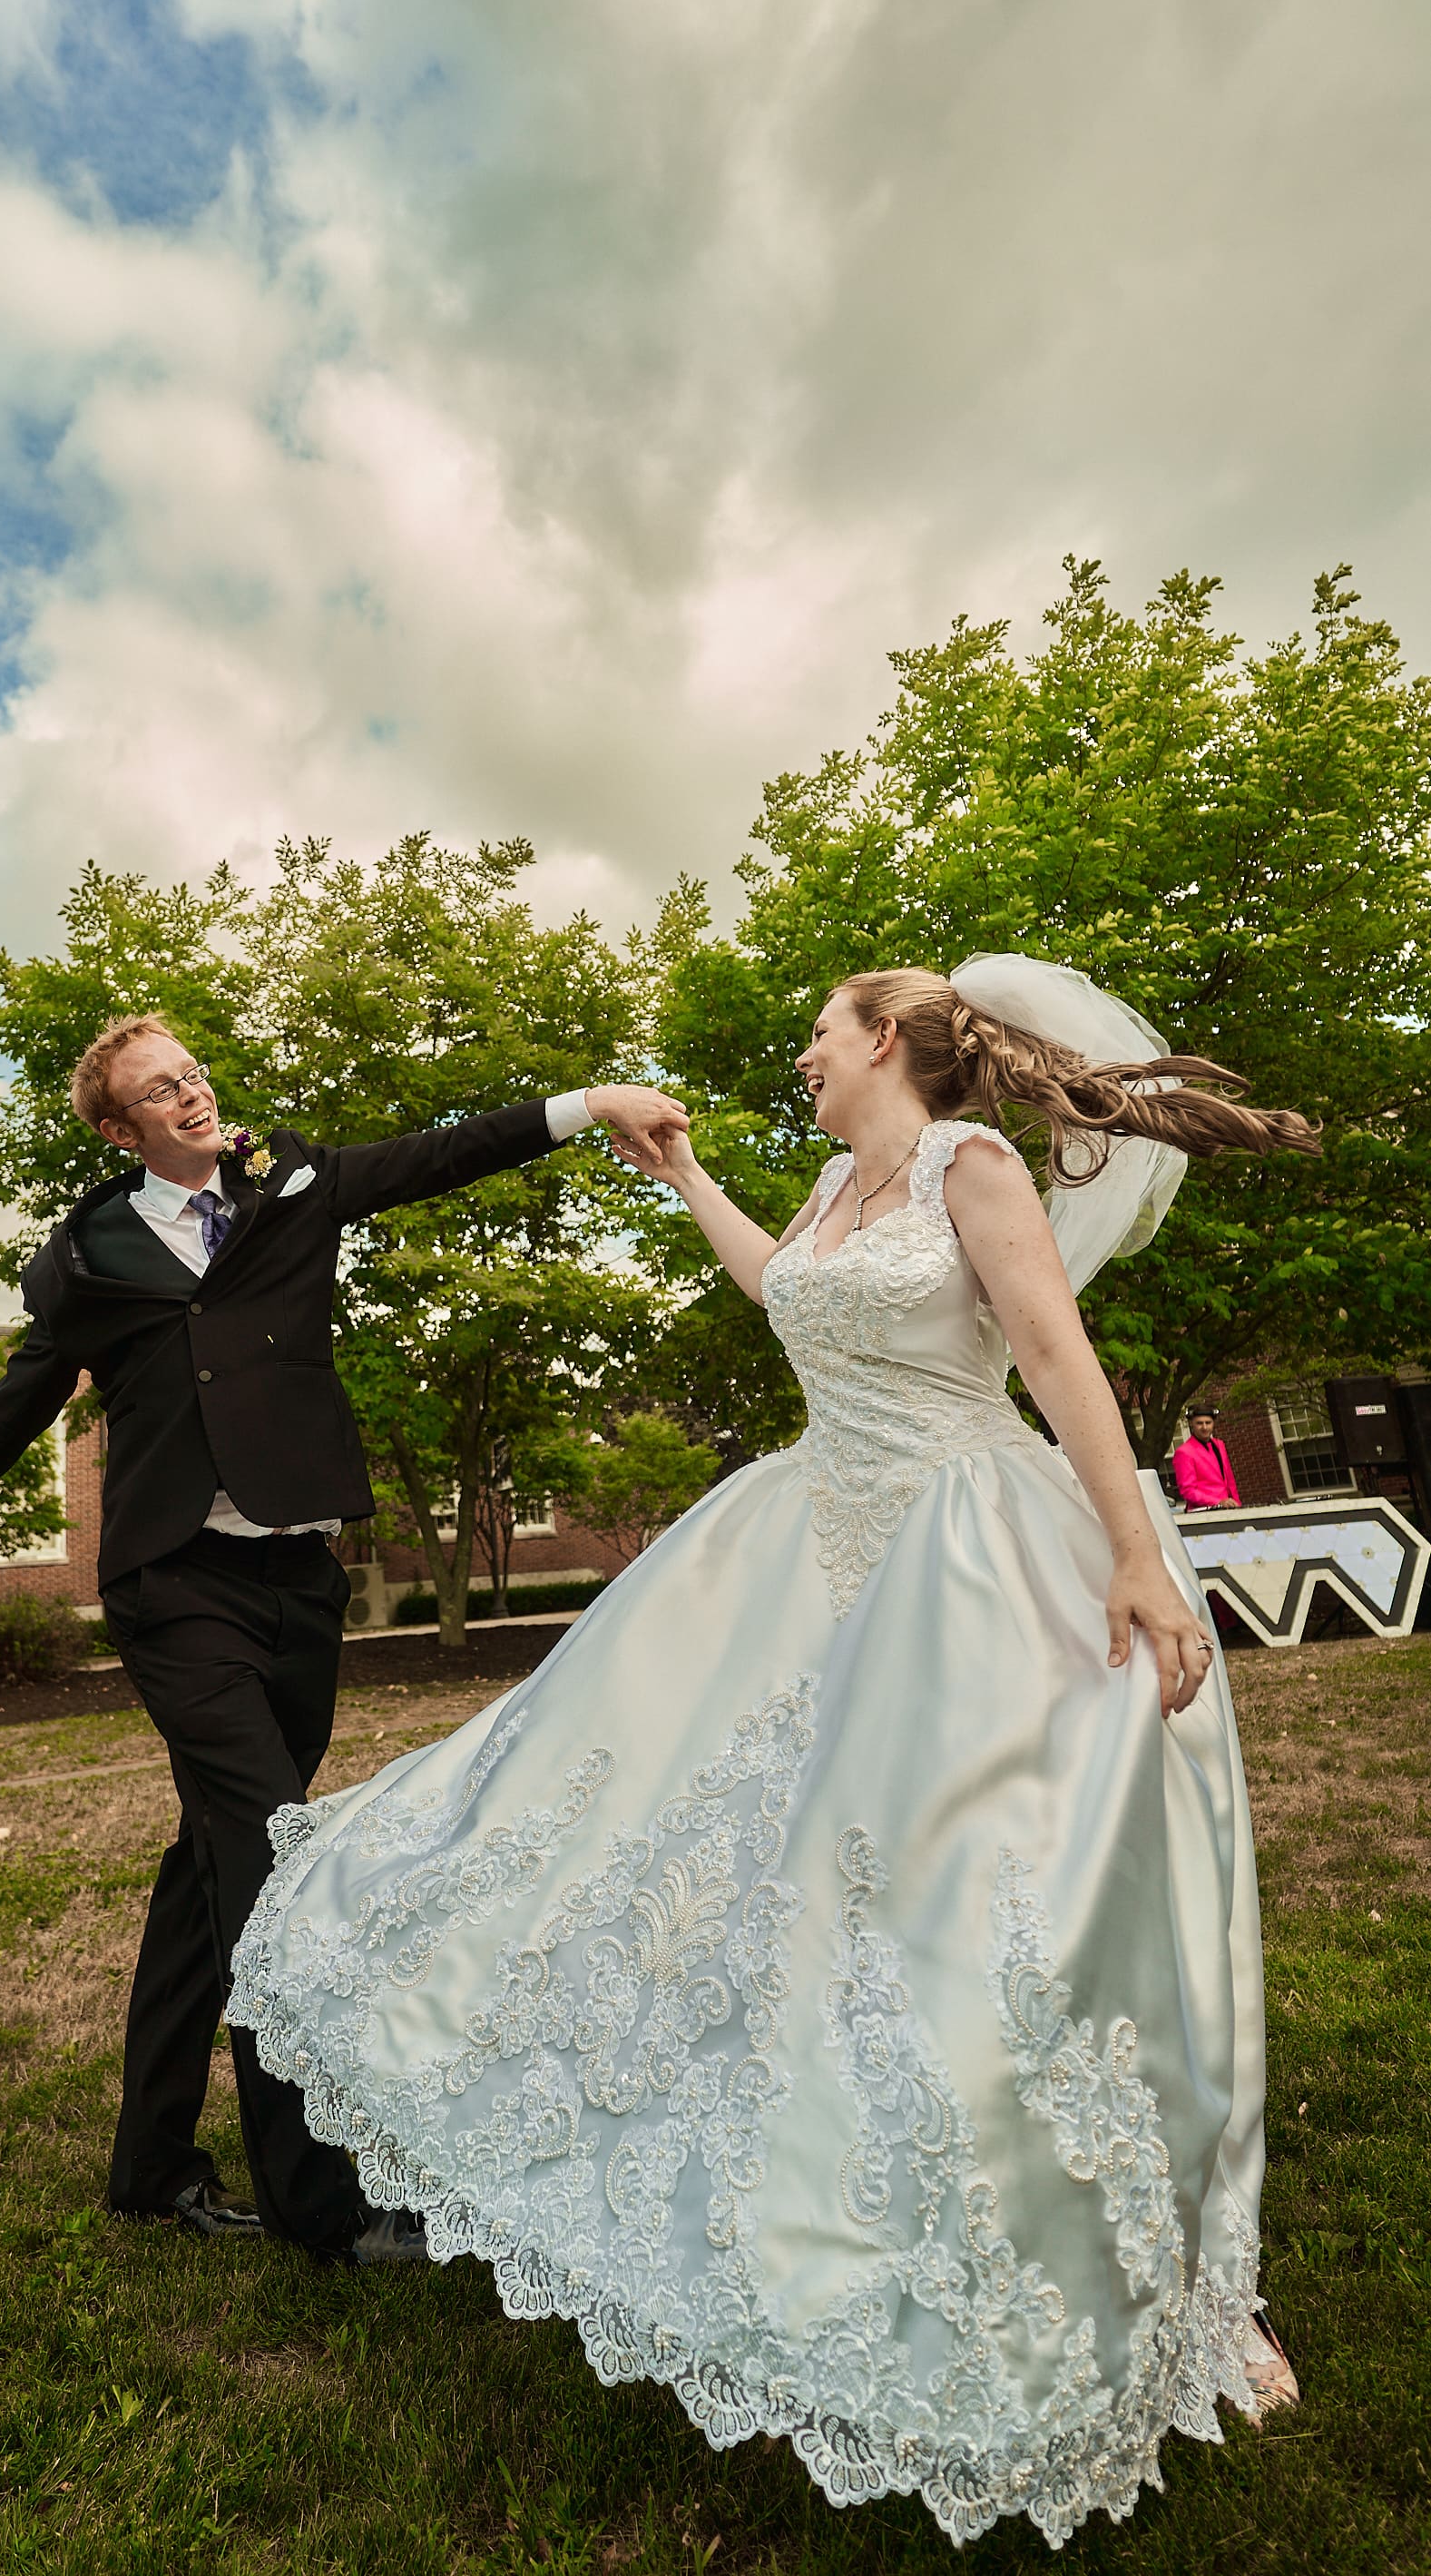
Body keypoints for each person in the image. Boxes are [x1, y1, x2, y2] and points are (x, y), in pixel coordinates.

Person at [227, 956, 1315, 2548]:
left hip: (963, 1563)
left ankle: (1180, 2288)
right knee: (735, 1877)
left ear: (884, 1038)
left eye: (819, 1033)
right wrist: (683, 1180)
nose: (802, 1057)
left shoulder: (975, 1164)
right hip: (809, 1549)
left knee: (995, 1922)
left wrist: (1135, 1552)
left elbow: (1058, 1357)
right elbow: (779, 1292)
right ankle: (810, 2200)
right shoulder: (833, 1179)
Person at [0, 1015, 688, 2265]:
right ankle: (322, 2211)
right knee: (274, 1873)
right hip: (171, 1585)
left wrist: (588, 1102)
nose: (190, 1095)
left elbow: (436, 1154)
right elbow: (18, 1396)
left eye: (192, 1074)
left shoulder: (293, 1183)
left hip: (294, 1581)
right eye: (158, 1089)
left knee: (210, 1877)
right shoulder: (88, 1257)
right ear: (115, 1125)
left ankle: (149, 2171)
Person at [1174, 1408, 1243, 1509]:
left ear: (1213, 1423)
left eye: (1208, 1422)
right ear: (1191, 1424)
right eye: (1199, 1423)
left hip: (1229, 1508)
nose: (1204, 1427)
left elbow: (1229, 1481)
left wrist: (1237, 1504)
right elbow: (1188, 1491)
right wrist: (1218, 1502)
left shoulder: (1220, 1445)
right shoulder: (1184, 1452)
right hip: (1204, 1512)